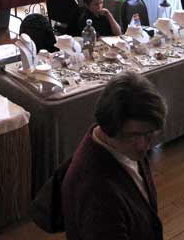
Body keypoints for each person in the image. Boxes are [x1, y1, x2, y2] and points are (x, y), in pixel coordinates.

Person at [62, 72, 166, 240]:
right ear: (109, 127)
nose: (143, 146)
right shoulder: (97, 193)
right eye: (133, 136)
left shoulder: (121, 146)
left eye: (149, 134)